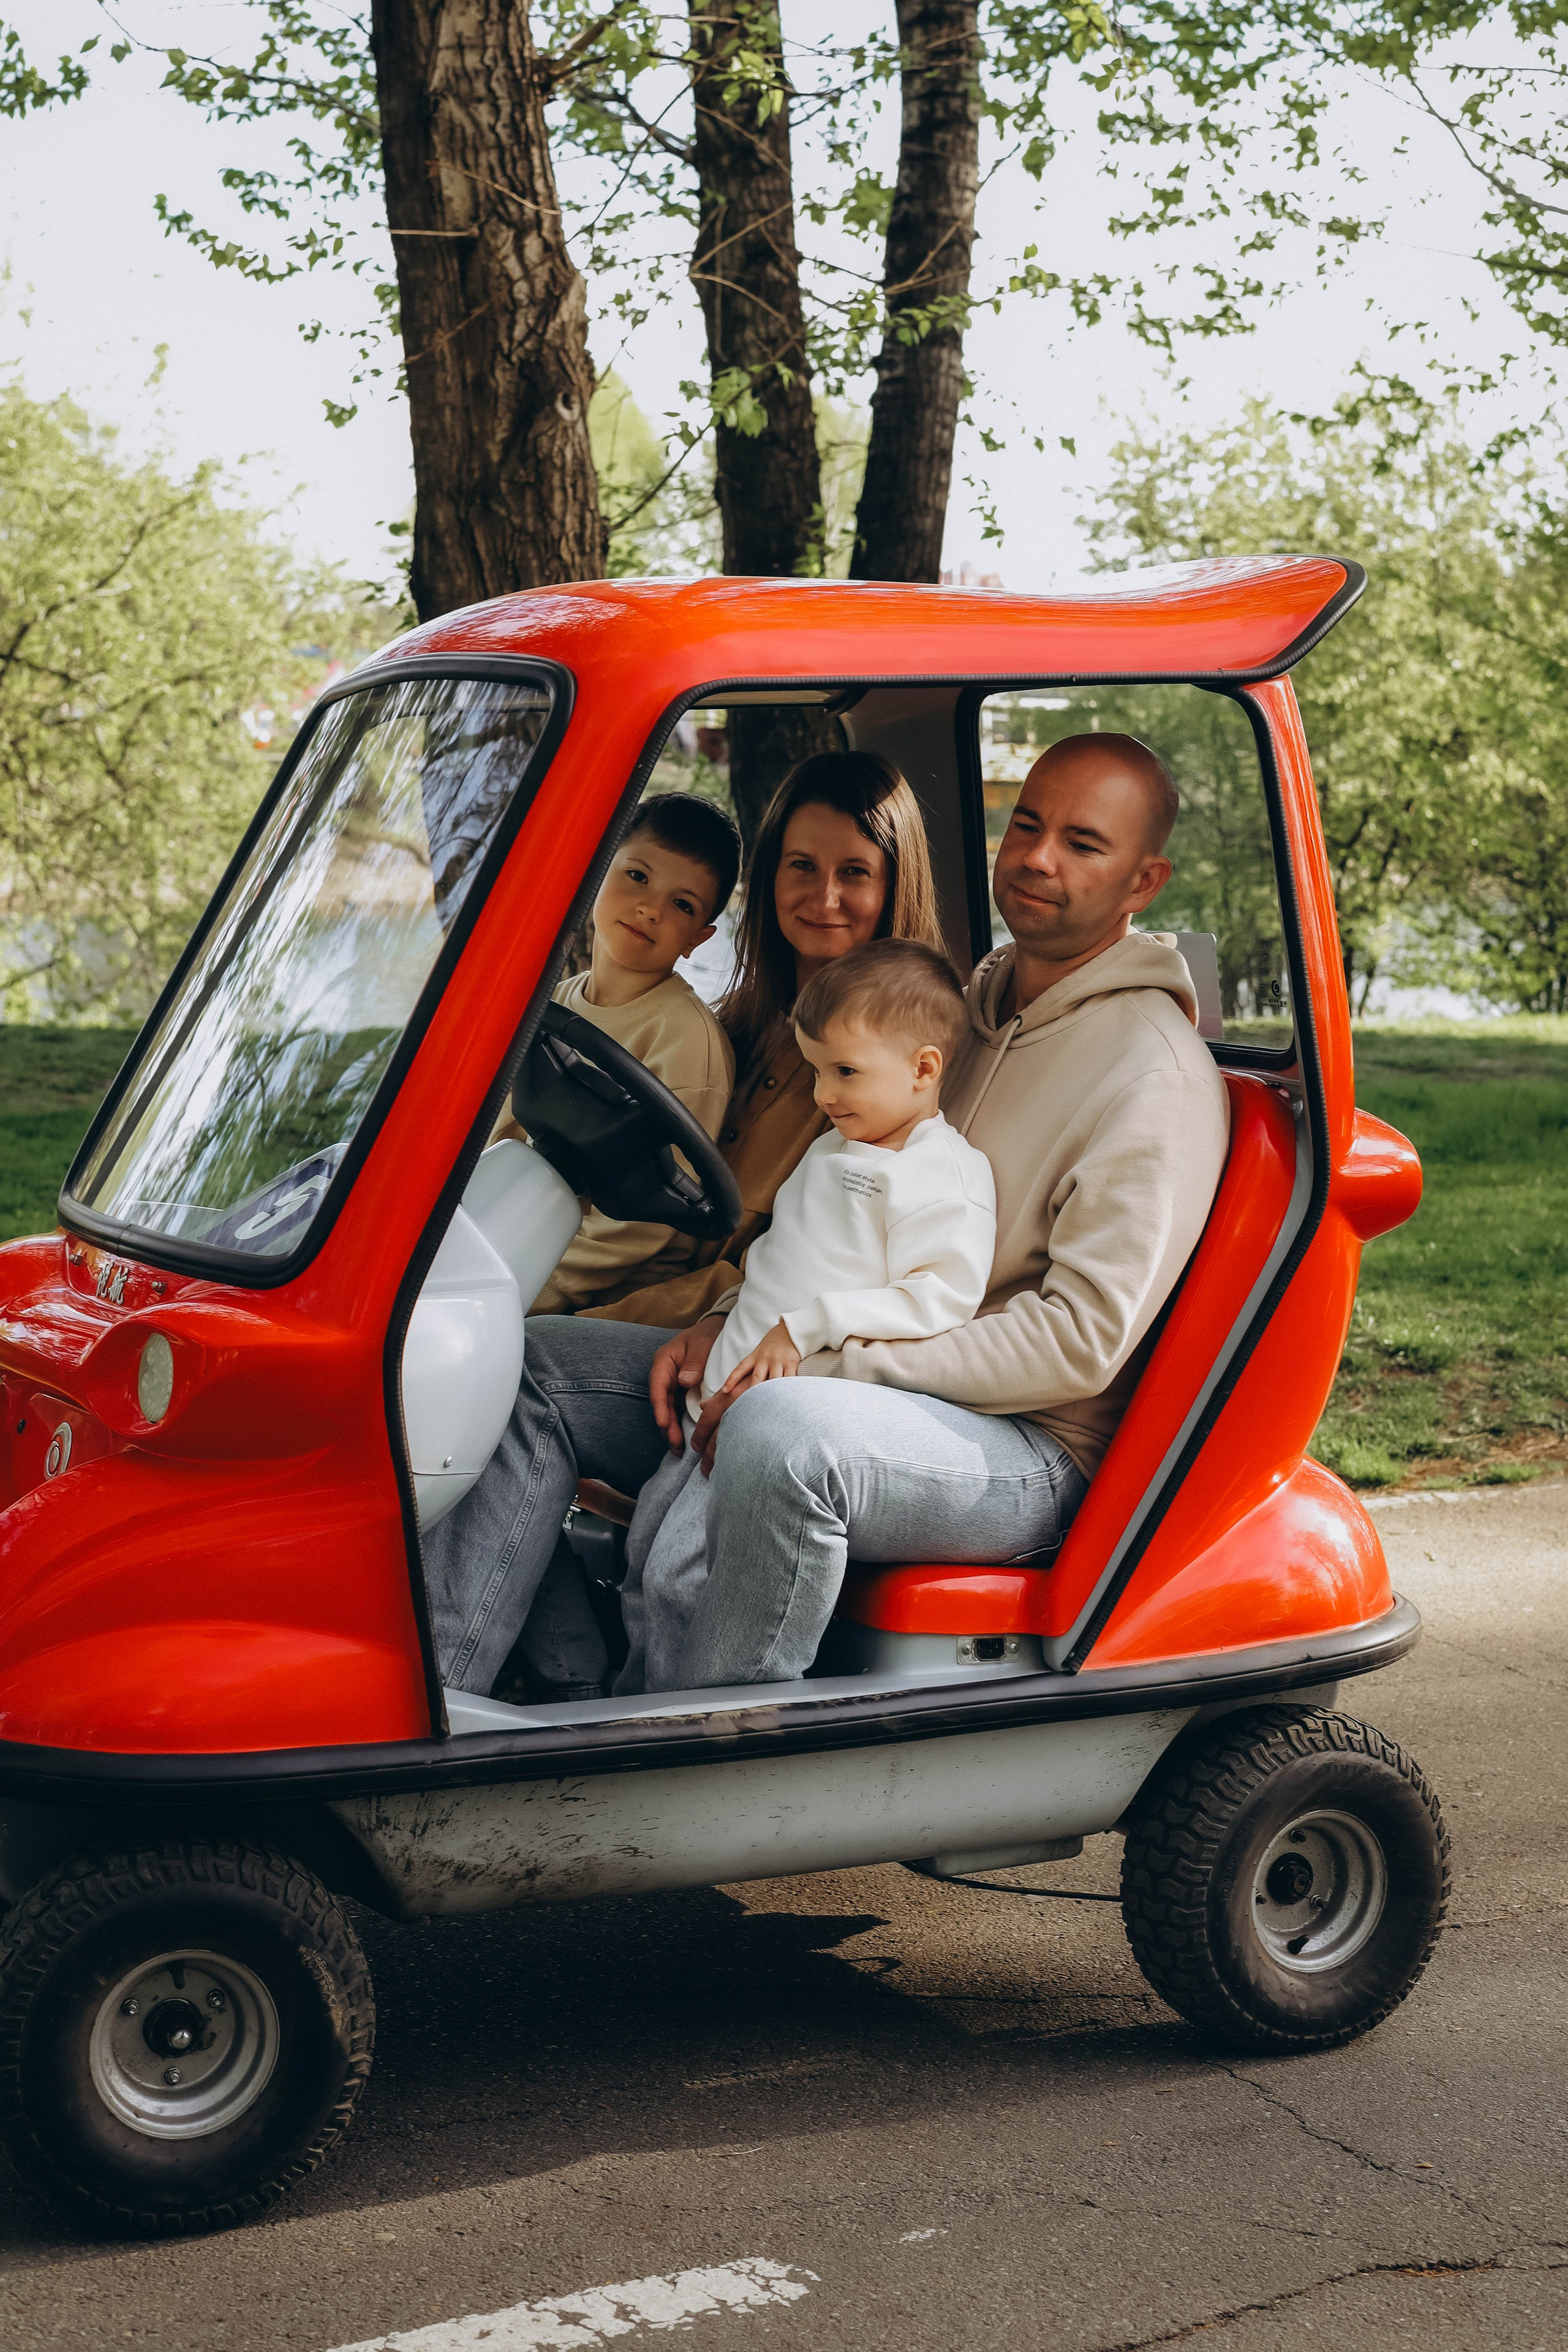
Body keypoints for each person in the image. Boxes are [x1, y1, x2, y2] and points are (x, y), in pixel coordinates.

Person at [640, 729, 1232, 1691]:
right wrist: (727, 1321)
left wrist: (839, 1364)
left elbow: (1078, 1344)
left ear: (1143, 880)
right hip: (872, 1365)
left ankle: (707, 1757)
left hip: (1028, 1446)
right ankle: (513, 1722)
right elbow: (849, 1223)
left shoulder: (1152, 1075)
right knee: (540, 1368)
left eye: (1084, 844)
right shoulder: (971, 1005)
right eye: (1028, 825)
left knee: (780, 1434)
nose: (1039, 857)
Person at [423, 747, 945, 1700]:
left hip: (756, 1344)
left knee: (508, 1370)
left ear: (895, 884)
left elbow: (840, 1251)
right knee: (481, 1371)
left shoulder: (893, 1060)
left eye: (855, 873)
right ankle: (525, 1688)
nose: (824, 896)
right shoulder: (748, 1020)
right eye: (801, 866)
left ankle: (460, 1683)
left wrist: (708, 1317)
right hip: (672, 1313)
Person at [616, 938, 997, 1692]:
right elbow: (781, 1263)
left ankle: (666, 1732)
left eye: (845, 1072)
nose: (823, 1093)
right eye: (817, 1069)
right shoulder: (836, 1145)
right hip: (712, 1412)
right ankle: (627, 1706)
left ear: (924, 1069)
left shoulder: (939, 1172)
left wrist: (809, 1326)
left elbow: (941, 1297)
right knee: (641, 1567)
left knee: (677, 1584)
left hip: (763, 1433)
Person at [502, 792, 740, 1315]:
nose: (650, 909)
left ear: (698, 940)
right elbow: (503, 1132)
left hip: (608, 1294)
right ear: (598, 871)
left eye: (682, 905)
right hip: (515, 1240)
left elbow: (643, 1225)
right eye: (637, 876)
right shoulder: (559, 1002)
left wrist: (533, 1288)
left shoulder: (685, 1041)